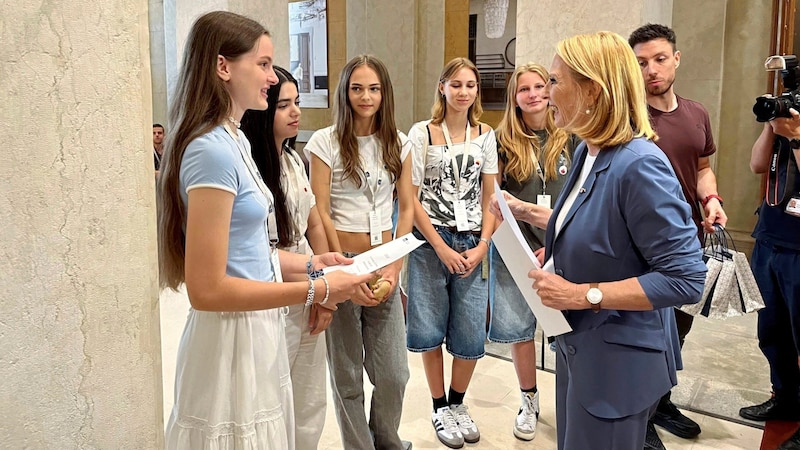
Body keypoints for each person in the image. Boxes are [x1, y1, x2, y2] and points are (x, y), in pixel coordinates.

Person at [156, 12, 372, 449]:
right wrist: (317, 289)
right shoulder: (210, 149)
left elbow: (248, 252)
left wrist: (312, 263)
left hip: (255, 328)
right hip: (229, 337)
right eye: (264, 64)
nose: (272, 78)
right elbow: (207, 288)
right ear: (223, 67)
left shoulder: (233, 140)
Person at [522, 31, 706, 450]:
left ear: (592, 90)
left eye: (554, 81)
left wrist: (581, 294)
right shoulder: (591, 151)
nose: (545, 94)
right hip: (584, 350)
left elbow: (685, 279)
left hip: (617, 364)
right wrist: (526, 212)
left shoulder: (638, 164)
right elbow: (600, 224)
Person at [305, 54, 414, 450]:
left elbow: (407, 208)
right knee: (347, 376)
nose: (365, 97)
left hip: (383, 265)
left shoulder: (399, 143)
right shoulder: (324, 141)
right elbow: (319, 209)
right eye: (357, 88)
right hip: (341, 264)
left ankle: (387, 441)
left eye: (373, 88)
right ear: (344, 92)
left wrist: (394, 267)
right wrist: (342, 275)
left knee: (394, 373)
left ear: (384, 93)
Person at [628, 23, 728, 448]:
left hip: (689, 240)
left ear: (677, 58)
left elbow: (702, 168)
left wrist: (712, 201)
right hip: (642, 245)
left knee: (679, 329)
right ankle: (641, 417)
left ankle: (661, 401)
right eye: (641, 63)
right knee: (650, 333)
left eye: (659, 59)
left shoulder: (697, 113)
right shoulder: (629, 118)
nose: (652, 70)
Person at [406, 57, 498, 449]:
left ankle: (459, 403)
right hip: (431, 243)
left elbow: (492, 195)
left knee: (470, 330)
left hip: (473, 239)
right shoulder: (422, 133)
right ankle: (439, 406)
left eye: (471, 85)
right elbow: (410, 198)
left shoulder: (485, 134)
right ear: (442, 87)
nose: (463, 92)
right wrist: (440, 246)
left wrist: (482, 245)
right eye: (456, 84)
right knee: (429, 328)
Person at [488, 62, 580, 442]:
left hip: (563, 249)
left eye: (540, 85)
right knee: (518, 330)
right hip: (515, 251)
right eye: (524, 89)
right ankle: (528, 400)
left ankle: (572, 399)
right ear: (515, 98)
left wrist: (555, 248)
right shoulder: (500, 140)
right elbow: (491, 200)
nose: (534, 94)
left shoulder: (573, 137)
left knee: (568, 332)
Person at [239, 66, 330, 450]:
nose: (295, 113)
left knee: (309, 398)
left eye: (297, 103)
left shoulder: (295, 161)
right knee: (271, 398)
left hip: (308, 279)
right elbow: (259, 251)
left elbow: (314, 224)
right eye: (283, 106)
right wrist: (317, 287)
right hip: (271, 291)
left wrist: (326, 292)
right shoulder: (250, 167)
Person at [738, 110, 800, 450]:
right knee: (772, 331)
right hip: (771, 236)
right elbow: (757, 165)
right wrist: (771, 128)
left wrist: (795, 138)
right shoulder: (784, 128)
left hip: (798, 247)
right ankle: (785, 398)